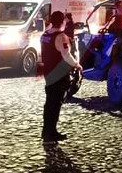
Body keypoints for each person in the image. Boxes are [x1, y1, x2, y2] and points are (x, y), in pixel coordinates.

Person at [40, 11, 82, 145]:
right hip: (59, 73)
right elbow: (66, 55)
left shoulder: (45, 34)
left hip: (48, 71)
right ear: (62, 22)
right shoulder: (61, 37)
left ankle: (47, 131)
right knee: (55, 103)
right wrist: (77, 65)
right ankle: (51, 133)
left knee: (49, 102)